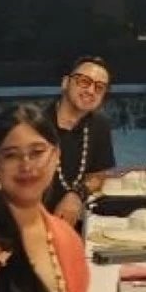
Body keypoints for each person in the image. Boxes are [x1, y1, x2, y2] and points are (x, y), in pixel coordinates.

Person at [0, 104, 90, 292]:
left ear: (56, 156)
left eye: (37, 152)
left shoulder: (66, 238)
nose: (26, 165)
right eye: (11, 155)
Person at [43, 55, 116, 229]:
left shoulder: (99, 125)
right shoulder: (36, 124)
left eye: (99, 87)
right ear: (65, 83)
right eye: (84, 81)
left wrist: (76, 195)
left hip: (75, 225)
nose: (91, 91)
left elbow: (99, 176)